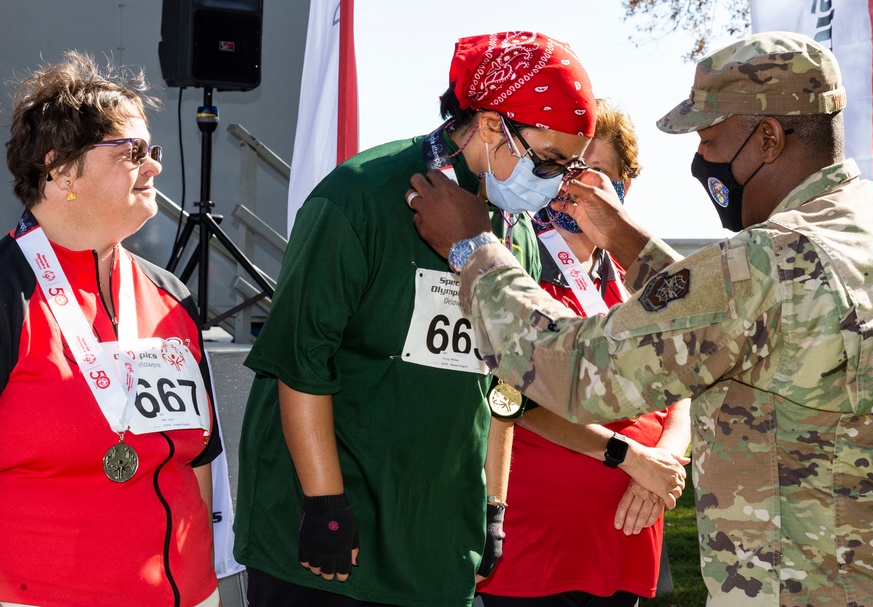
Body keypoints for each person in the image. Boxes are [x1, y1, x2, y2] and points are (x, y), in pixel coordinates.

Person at [408, 31, 873, 606]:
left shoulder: (774, 261)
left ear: (769, 138)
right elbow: (738, 319)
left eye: (709, 138)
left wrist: (472, 250)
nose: (701, 160)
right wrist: (622, 234)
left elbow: (575, 370)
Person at [233, 31, 599, 607]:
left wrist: (494, 506)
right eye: (547, 160)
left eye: (567, 167)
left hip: (433, 541)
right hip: (327, 539)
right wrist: (325, 503)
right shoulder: (358, 197)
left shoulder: (513, 232)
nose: (553, 181)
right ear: (488, 125)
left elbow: (504, 385)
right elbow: (300, 361)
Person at [0, 51, 221, 606]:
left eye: (155, 151)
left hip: (189, 594)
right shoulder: (8, 291)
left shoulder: (170, 295)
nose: (155, 166)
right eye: (133, 152)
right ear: (60, 168)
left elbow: (197, 461)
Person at [477, 99, 691, 607]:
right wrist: (631, 459)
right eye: (566, 168)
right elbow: (510, 397)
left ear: (623, 188)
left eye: (595, 171)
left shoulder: (637, 279)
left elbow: (685, 382)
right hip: (534, 554)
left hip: (625, 545)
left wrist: (664, 461)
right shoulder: (516, 267)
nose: (574, 184)